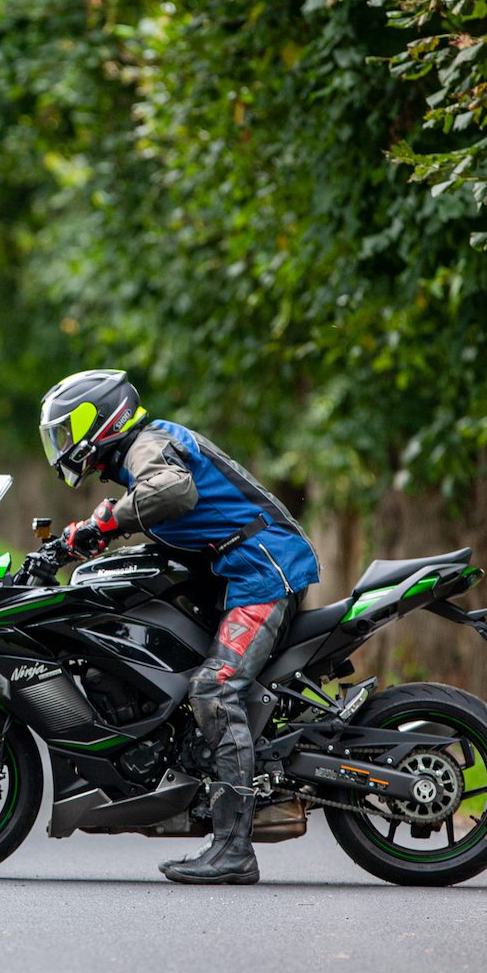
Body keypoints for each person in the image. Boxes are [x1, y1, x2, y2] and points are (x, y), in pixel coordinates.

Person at [34, 369, 319, 885]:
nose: (63, 446)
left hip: (264, 572)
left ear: (99, 420)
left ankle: (234, 849)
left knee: (215, 689)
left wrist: (103, 522)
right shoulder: (145, 451)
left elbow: (171, 491)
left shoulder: (147, 445)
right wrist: (80, 540)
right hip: (241, 572)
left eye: (66, 431)